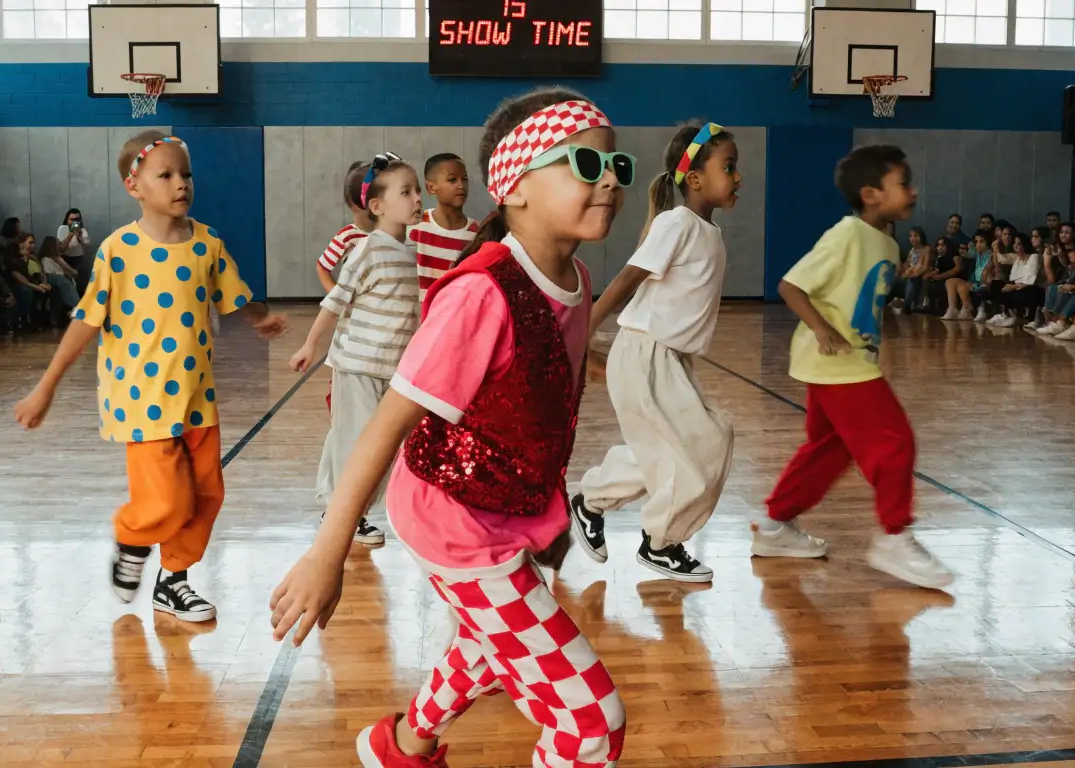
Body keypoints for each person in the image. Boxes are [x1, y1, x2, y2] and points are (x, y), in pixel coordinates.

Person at [269, 87, 628, 768]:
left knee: (488, 646)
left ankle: (399, 747)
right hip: (452, 521)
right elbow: (385, 424)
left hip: (501, 509)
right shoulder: (480, 294)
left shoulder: (575, 279)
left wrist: (544, 526)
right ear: (515, 186)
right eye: (585, 163)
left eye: (616, 165)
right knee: (591, 723)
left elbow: (548, 413)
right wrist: (327, 553)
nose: (609, 177)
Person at [13, 132, 288, 623]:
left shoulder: (207, 244)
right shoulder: (119, 250)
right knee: (165, 501)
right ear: (133, 186)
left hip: (197, 399)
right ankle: (131, 536)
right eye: (166, 174)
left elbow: (236, 295)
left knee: (206, 496)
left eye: (186, 174)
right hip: (142, 402)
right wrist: (45, 387)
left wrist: (258, 318)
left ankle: (173, 583)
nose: (180, 183)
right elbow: (85, 320)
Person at [750, 144, 953, 590]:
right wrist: (822, 329)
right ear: (872, 193)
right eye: (903, 183)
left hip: (848, 361)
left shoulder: (886, 241)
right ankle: (893, 537)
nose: (913, 191)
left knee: (829, 450)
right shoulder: (846, 234)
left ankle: (775, 526)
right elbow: (790, 285)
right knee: (895, 442)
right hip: (838, 362)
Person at [569, 122, 739, 583]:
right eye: (729, 166)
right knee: (708, 441)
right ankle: (661, 543)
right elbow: (629, 277)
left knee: (661, 454)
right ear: (696, 178)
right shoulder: (678, 222)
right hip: (647, 356)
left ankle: (590, 500)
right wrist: (584, 330)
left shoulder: (709, 232)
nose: (738, 176)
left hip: (669, 361)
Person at [287, 152, 424, 547]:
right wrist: (310, 346)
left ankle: (340, 507)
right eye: (407, 191)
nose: (417, 199)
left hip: (390, 370)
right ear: (377, 207)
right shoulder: (366, 249)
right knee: (362, 446)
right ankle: (346, 515)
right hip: (359, 366)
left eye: (417, 191)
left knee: (355, 440)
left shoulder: (407, 253)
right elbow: (335, 302)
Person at [408, 153, 479, 301]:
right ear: (431, 188)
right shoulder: (416, 227)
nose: (461, 185)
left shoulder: (477, 234)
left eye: (464, 179)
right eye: (452, 180)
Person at [315, 162, 374, 294]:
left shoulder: (392, 232)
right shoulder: (347, 236)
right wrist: (336, 299)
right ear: (354, 204)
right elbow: (322, 267)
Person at [56, 209, 93, 296]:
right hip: (65, 259)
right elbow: (61, 249)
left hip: (78, 258)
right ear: (67, 220)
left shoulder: (82, 231)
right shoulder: (62, 229)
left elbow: (87, 246)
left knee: (78, 282)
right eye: (71, 219)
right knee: (68, 282)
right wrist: (71, 235)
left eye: (77, 219)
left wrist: (79, 236)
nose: (74, 222)